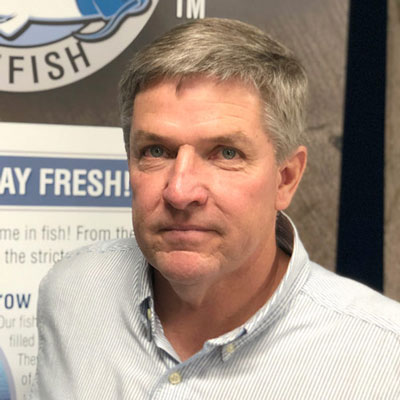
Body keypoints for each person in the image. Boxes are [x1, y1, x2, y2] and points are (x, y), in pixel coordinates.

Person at [31, 18, 400, 399]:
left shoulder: (384, 358)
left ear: (285, 179)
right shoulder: (72, 293)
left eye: (226, 154)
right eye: (156, 151)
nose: (180, 191)